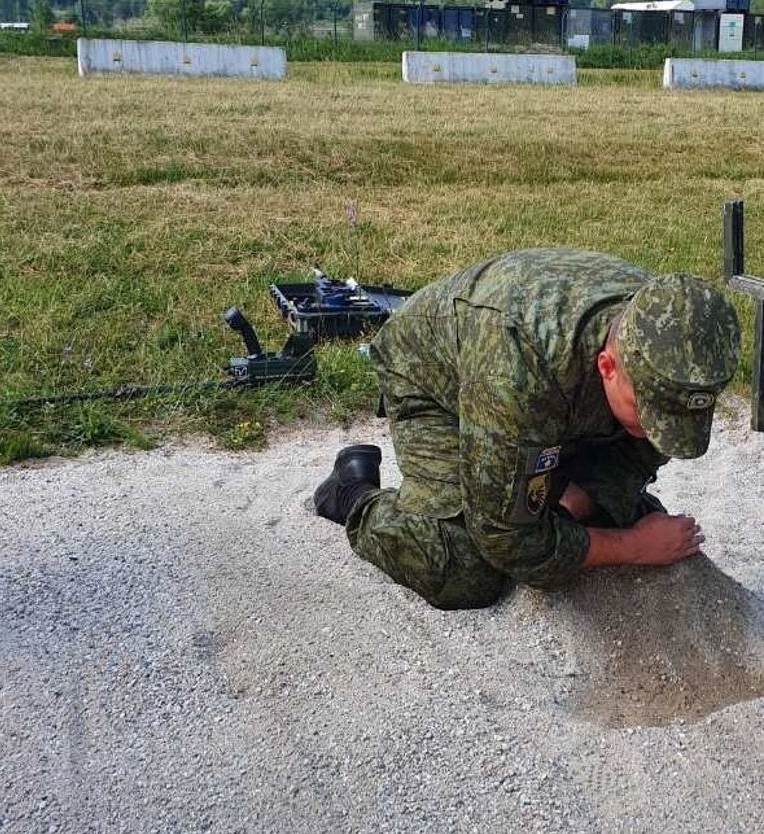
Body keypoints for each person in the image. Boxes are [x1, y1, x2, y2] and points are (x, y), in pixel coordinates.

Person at [313, 248, 740, 610]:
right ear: (608, 367)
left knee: (606, 508)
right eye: (648, 413)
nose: (656, 432)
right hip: (433, 382)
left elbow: (639, 450)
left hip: (536, 382)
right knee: (464, 569)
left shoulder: (671, 334)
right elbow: (504, 538)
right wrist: (632, 546)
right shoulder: (517, 374)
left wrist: (577, 505)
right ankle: (352, 493)